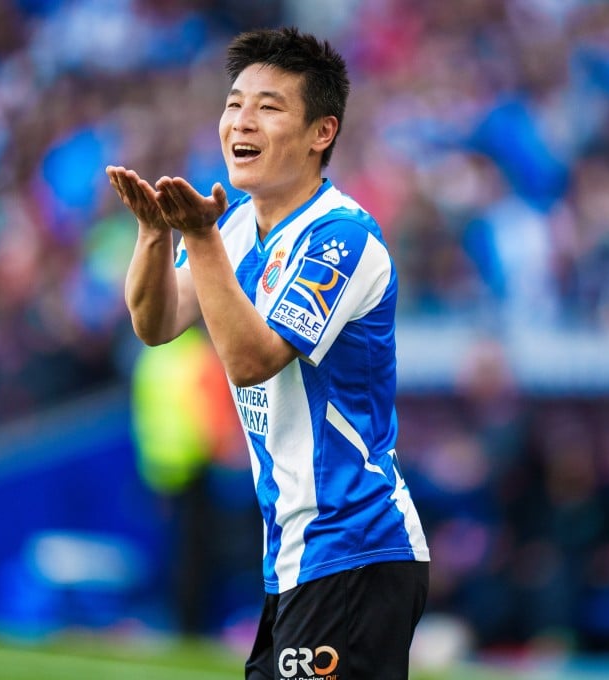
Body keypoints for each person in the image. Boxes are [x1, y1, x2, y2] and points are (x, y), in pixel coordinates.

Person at [106, 26, 430, 679]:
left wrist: (197, 239)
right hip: (296, 553)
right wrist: (152, 234)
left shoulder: (340, 239)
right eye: (233, 103)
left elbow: (254, 358)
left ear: (322, 133)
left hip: (355, 545)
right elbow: (156, 320)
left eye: (269, 106)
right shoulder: (234, 227)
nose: (241, 120)